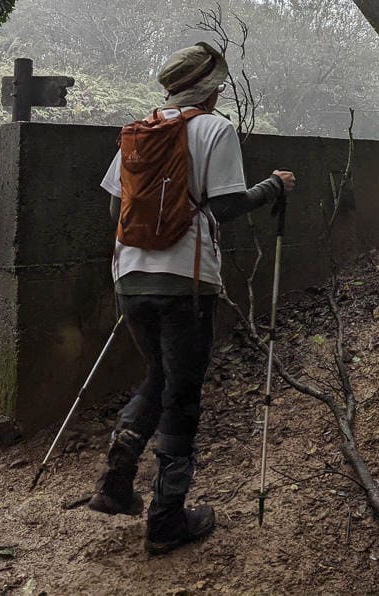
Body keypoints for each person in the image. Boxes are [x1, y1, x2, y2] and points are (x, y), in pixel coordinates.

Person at [89, 42, 296, 556]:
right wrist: (273, 186)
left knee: (158, 375)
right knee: (182, 393)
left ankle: (116, 479)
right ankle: (166, 519)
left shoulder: (139, 132)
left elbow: (116, 208)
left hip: (130, 277)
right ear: (211, 90)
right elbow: (225, 206)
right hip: (186, 281)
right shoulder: (214, 129)